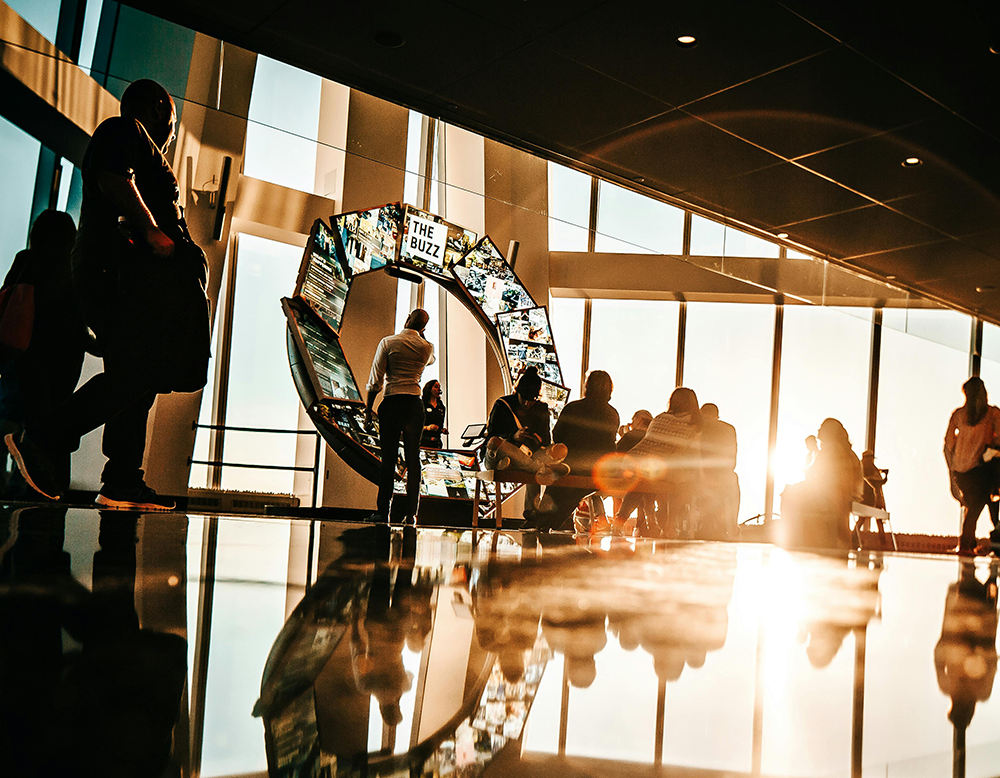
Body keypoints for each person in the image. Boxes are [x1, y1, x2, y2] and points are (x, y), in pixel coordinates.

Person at [6, 79, 211, 510]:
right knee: (142, 370)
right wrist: (151, 229)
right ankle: (44, 437)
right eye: (173, 122)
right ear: (159, 108)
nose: (172, 133)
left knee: (138, 377)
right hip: (116, 275)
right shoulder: (125, 130)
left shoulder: (133, 141)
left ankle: (122, 480)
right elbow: (113, 175)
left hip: (125, 278)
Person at [0, 211, 90, 493]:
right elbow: (81, 325)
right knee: (54, 428)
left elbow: (7, 304)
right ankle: (53, 491)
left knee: (11, 423)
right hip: (62, 365)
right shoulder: (75, 270)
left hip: (23, 359)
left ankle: (9, 489)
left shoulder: (26, 260)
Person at [365, 308, 435, 523]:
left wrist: (368, 411)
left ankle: (382, 511)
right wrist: (421, 336)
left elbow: (375, 381)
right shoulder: (427, 347)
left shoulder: (388, 343)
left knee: (388, 459)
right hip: (414, 405)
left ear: (407, 320)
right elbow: (431, 360)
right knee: (413, 459)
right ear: (423, 328)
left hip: (392, 402)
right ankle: (411, 514)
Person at [528, 370, 619, 531]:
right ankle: (549, 521)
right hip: (596, 467)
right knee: (575, 491)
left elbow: (557, 434)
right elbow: (609, 445)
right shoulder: (612, 414)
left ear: (587, 386)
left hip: (571, 460)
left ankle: (542, 519)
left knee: (559, 487)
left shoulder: (572, 408)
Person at [626, 387, 702, 538]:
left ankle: (622, 520)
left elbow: (649, 444)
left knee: (643, 481)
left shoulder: (660, 419)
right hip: (674, 473)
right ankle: (670, 525)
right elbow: (694, 453)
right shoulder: (694, 423)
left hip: (652, 469)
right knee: (681, 482)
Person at [780, 418, 863, 550]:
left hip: (832, 497)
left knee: (789, 494)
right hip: (840, 496)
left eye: (821, 428)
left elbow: (817, 476)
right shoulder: (842, 450)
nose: (818, 430)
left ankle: (792, 541)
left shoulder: (832, 450)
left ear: (829, 432)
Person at [482, 366, 567, 484]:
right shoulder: (502, 405)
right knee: (494, 442)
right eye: (524, 398)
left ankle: (513, 466)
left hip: (531, 453)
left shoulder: (541, 409)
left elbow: (546, 441)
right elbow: (490, 438)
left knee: (561, 449)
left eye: (532, 400)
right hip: (506, 451)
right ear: (517, 391)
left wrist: (538, 439)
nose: (527, 403)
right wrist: (513, 436)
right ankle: (541, 468)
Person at [944, 377, 1000, 555]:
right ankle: (968, 543)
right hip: (981, 469)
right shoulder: (993, 414)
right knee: (980, 504)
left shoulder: (959, 415)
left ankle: (970, 542)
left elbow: (948, 446)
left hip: (960, 471)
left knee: (975, 505)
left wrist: (951, 473)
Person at [699, 403, 740, 538]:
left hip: (701, 473)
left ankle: (707, 523)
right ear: (717, 416)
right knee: (733, 484)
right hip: (724, 474)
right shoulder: (729, 429)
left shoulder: (697, 427)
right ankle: (732, 525)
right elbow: (732, 458)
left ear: (701, 414)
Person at [613, 410, 653, 534]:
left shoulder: (631, 435)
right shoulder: (652, 437)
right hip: (648, 476)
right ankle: (643, 524)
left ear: (639, 420)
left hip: (628, 476)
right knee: (643, 487)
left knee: (636, 486)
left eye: (633, 419)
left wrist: (623, 435)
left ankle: (619, 521)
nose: (631, 422)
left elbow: (616, 453)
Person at [420, 380, 447, 448]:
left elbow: (440, 425)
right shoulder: (422, 405)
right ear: (429, 389)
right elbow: (415, 426)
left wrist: (442, 430)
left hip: (436, 442)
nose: (439, 389)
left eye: (439, 387)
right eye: (436, 387)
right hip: (423, 441)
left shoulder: (441, 407)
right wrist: (427, 428)